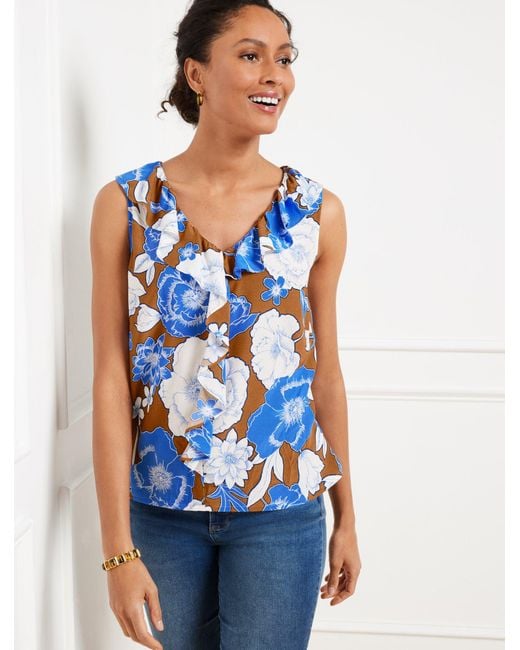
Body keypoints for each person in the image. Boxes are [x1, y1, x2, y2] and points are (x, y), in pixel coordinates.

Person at [90, 1, 361, 648]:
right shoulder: (127, 206)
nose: (274, 75)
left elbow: (324, 375)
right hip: (161, 513)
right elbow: (109, 379)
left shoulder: (315, 212)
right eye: (250, 55)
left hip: (284, 514)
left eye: (284, 58)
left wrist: (347, 517)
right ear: (197, 74)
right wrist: (117, 551)